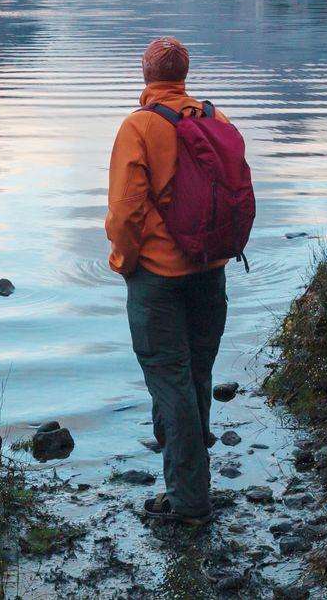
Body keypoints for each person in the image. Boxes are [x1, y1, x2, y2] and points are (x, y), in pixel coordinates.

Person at [105, 35, 229, 525]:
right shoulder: (216, 119)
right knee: (196, 376)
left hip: (156, 277)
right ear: (184, 74)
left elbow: (125, 212)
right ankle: (188, 482)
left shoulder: (138, 127)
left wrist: (123, 261)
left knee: (171, 386)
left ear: (146, 75)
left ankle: (190, 503)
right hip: (210, 272)